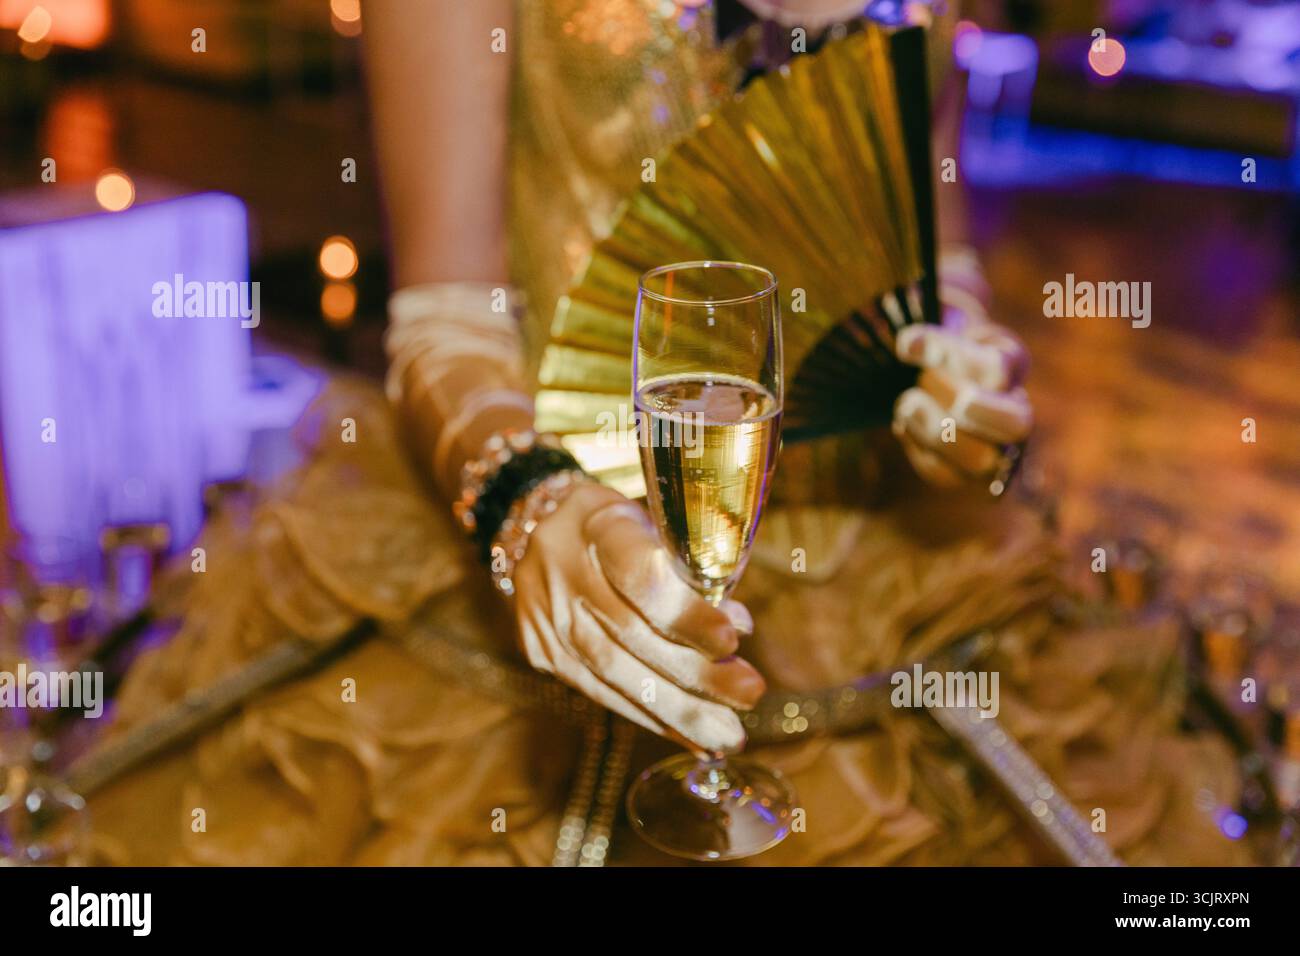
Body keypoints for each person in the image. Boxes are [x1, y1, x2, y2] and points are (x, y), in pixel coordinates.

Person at [82, 0, 1248, 866]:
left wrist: (969, 376)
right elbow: (446, 317)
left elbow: (933, 260)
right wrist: (523, 497)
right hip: (558, 537)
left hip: (883, 562)